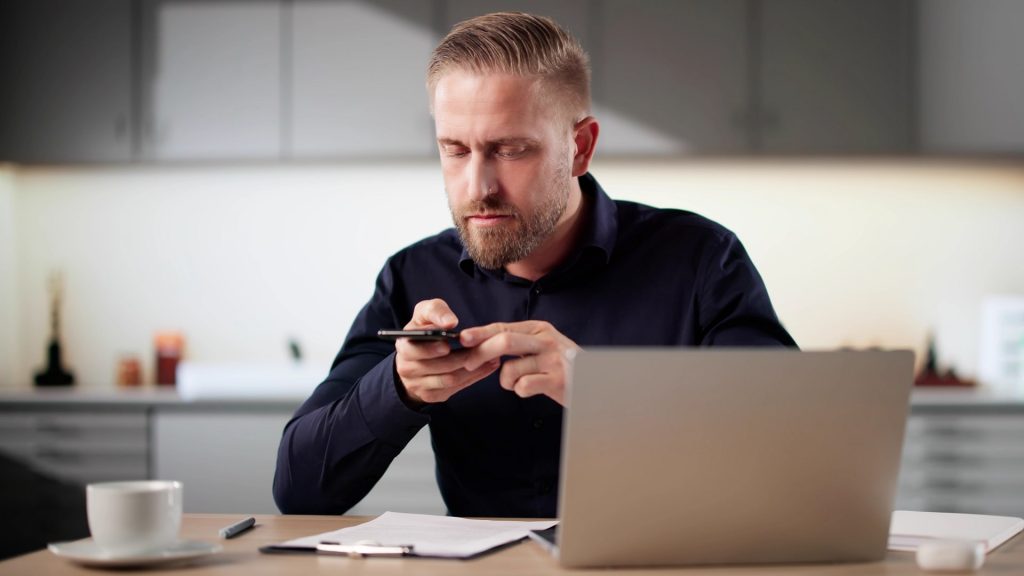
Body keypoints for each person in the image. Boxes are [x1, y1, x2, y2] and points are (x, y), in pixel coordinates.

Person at [273, 12, 796, 518]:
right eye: (455, 150)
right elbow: (298, 491)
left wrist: (603, 392)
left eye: (510, 149)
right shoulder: (412, 276)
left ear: (581, 147)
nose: (478, 187)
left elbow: (792, 457)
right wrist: (399, 387)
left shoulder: (702, 260)